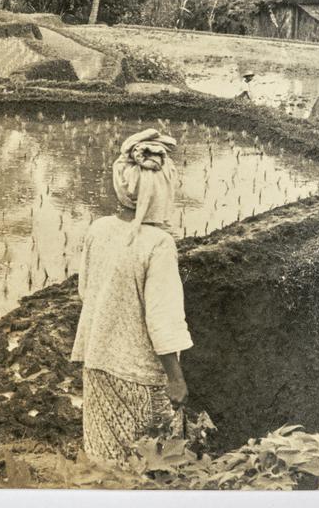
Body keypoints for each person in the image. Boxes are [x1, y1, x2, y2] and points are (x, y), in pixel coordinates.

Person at [71, 128, 191, 466]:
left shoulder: (99, 229)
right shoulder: (158, 244)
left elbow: (87, 292)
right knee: (150, 466)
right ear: (161, 192)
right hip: (140, 377)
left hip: (97, 365)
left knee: (104, 462)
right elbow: (163, 322)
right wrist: (176, 380)